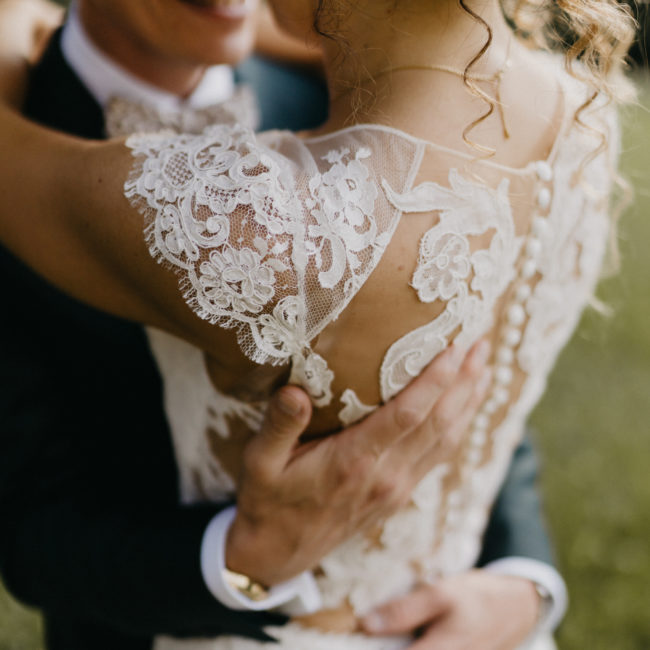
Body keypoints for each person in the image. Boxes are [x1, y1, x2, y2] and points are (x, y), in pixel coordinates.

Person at [0, 0, 618, 647]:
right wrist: (233, 560)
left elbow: (464, 370)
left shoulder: (350, 87)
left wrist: (524, 580)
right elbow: (26, 523)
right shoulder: (546, 104)